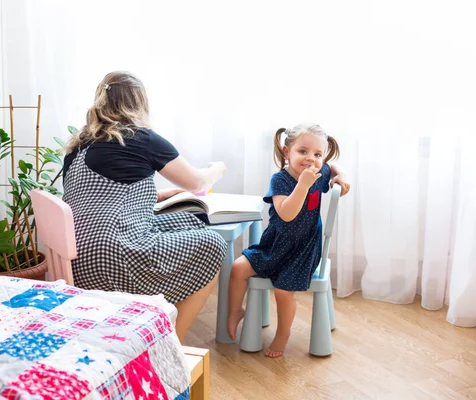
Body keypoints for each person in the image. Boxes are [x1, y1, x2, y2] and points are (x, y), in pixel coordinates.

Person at [62, 71, 228, 342]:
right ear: (139, 102)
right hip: (111, 256)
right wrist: (217, 168)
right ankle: (174, 342)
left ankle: (154, 331)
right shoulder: (140, 138)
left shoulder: (77, 146)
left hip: (78, 257)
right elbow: (197, 183)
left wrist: (157, 194)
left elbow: (100, 195)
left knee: (188, 220)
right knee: (213, 244)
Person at [227, 124, 351, 357]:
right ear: (287, 152)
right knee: (238, 267)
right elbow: (286, 213)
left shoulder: (319, 171)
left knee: (283, 291)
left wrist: (340, 174)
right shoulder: (280, 180)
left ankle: (283, 333)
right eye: (303, 151)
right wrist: (303, 185)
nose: (310, 159)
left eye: (317, 154)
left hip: (304, 249)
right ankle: (235, 311)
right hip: (275, 245)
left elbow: (332, 165)